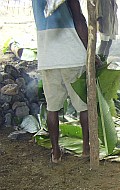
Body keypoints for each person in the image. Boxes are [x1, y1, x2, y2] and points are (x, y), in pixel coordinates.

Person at [32, 0, 90, 163]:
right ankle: (86, 149)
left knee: (52, 109)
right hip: (72, 55)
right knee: (83, 107)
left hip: (48, 57)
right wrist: (90, 52)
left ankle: (56, 152)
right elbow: (79, 19)